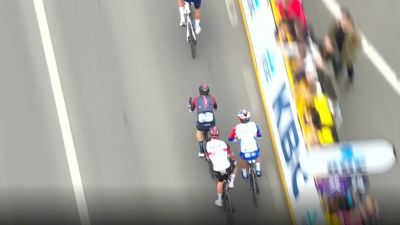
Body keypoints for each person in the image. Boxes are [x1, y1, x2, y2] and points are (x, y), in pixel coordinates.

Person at [326, 7, 361, 83]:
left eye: (342, 19)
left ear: (348, 20)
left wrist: (353, 52)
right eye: (340, 18)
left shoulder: (353, 32)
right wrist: (329, 40)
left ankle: (350, 76)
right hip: (337, 48)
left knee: (349, 65)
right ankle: (337, 74)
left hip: (347, 54)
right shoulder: (337, 23)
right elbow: (331, 31)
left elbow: (358, 43)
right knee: (337, 62)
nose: (340, 20)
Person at [206, 126, 237, 207]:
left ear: (209, 135)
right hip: (227, 167)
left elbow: (207, 157)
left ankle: (219, 200)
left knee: (220, 182)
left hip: (218, 170)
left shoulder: (207, 145)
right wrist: (233, 159)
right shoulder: (223, 143)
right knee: (235, 165)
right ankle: (231, 182)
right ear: (218, 135)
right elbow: (232, 154)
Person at [228, 109, 262, 177]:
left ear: (240, 119)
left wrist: (233, 139)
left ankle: (244, 173)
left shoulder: (236, 128)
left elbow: (230, 138)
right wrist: (257, 135)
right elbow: (259, 134)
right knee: (258, 153)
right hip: (254, 149)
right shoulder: (254, 124)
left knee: (242, 158)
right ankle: (258, 169)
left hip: (244, 151)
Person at [188, 83, 218, 158]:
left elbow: (191, 109)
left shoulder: (195, 99)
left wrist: (190, 107)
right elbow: (216, 107)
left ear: (200, 91)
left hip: (201, 125)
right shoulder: (212, 98)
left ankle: (201, 151)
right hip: (211, 123)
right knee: (213, 130)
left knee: (199, 133)